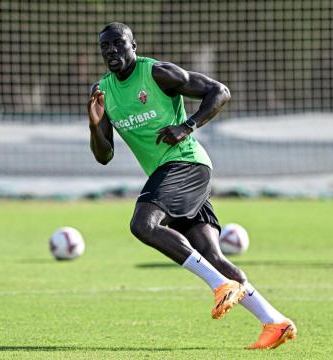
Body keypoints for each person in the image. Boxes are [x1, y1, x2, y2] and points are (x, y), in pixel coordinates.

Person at [88, 22, 296, 349]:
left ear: (134, 45)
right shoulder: (102, 91)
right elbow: (104, 155)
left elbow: (220, 91)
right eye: (105, 47)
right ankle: (275, 322)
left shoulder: (157, 74)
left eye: (118, 44)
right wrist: (95, 123)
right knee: (212, 255)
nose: (112, 51)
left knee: (143, 224)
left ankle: (219, 286)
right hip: (172, 175)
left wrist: (187, 126)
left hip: (187, 163)